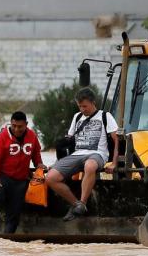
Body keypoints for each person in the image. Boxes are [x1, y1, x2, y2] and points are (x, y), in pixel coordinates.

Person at [45, 88, 118, 221]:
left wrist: (114, 163)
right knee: (50, 177)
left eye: (85, 106)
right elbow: (69, 139)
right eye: (80, 106)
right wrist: (58, 162)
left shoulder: (105, 116)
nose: (82, 109)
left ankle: (83, 202)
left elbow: (116, 140)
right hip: (77, 154)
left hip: (97, 154)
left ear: (93, 102)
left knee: (90, 166)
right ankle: (77, 205)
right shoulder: (77, 117)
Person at [0, 111, 44, 234]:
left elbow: (36, 153)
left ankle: (8, 236)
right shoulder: (2, 137)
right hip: (2, 177)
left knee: (15, 211)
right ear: (11, 124)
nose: (16, 129)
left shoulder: (32, 136)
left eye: (20, 127)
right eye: (14, 126)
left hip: (21, 180)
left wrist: (38, 164)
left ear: (26, 125)